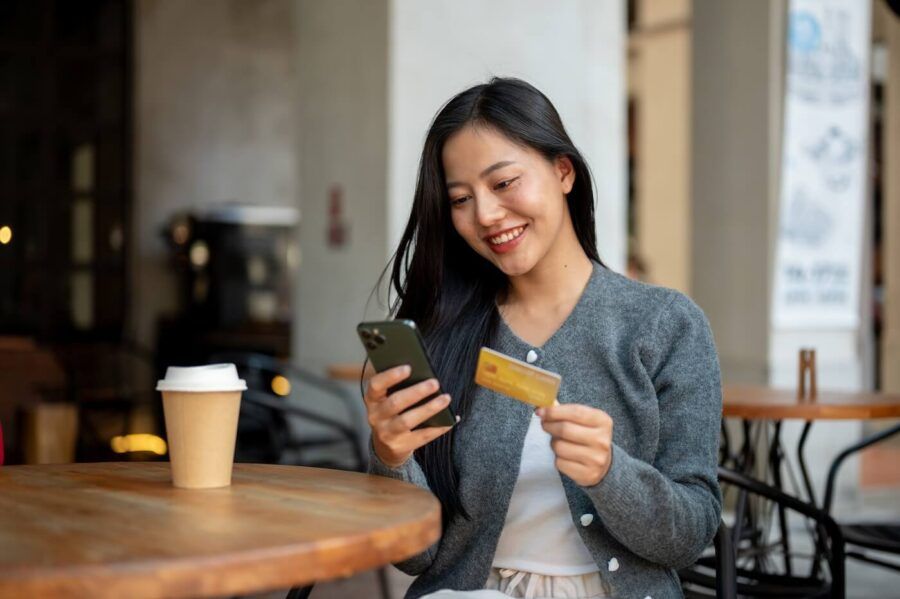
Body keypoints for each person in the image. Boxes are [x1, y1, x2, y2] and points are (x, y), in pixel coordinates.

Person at [363, 77, 721, 599]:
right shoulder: (441, 338)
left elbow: (688, 536)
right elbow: (415, 557)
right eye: (461, 198)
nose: (485, 215)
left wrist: (610, 473)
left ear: (563, 171)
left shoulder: (665, 325)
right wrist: (389, 457)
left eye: (504, 183)